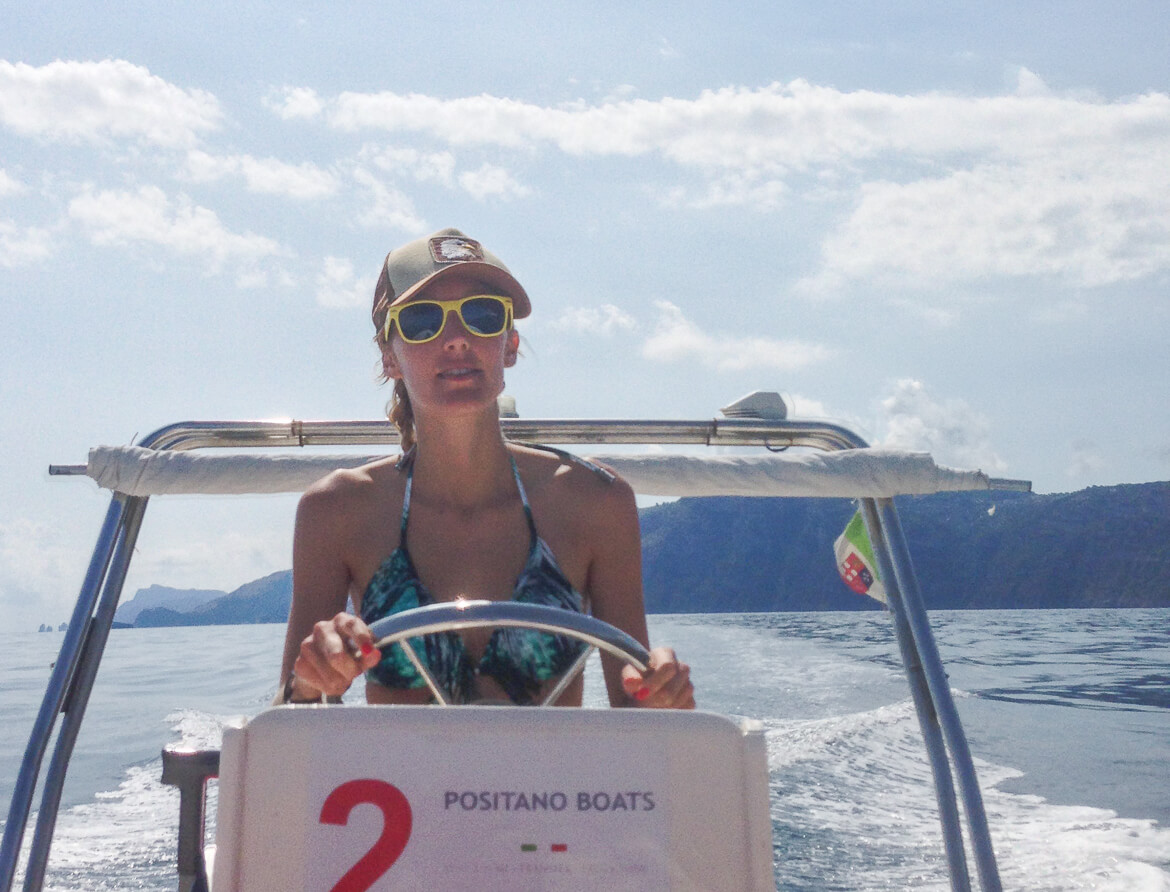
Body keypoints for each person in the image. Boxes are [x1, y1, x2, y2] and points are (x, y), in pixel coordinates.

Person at [277, 228, 694, 709]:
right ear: (389, 356)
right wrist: (311, 680)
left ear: (509, 345)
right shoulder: (335, 512)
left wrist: (665, 694)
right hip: (399, 786)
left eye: (481, 316)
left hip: (554, 786)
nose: (456, 339)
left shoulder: (596, 502)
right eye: (420, 321)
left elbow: (640, 719)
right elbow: (288, 729)